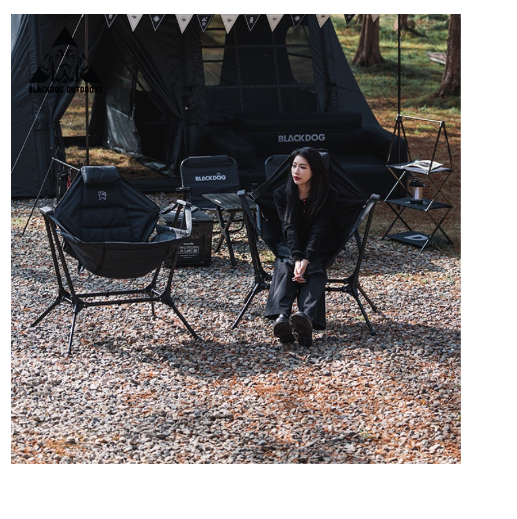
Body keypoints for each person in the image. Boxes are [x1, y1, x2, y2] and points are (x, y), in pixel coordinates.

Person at [264, 147, 339, 347]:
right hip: (290, 242)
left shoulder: (328, 194)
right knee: (285, 265)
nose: (296, 171)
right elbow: (289, 227)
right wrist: (297, 257)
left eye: (303, 167)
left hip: (318, 244)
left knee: (315, 269)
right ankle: (283, 318)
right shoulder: (282, 193)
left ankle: (304, 317)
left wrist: (306, 258)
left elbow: (319, 229)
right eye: (294, 166)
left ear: (315, 170)